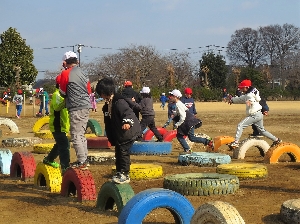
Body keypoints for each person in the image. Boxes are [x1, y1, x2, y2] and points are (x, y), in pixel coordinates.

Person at [95, 77, 142, 184]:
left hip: (129, 132)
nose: (100, 96)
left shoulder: (119, 102)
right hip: (121, 134)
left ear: (104, 92)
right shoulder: (109, 103)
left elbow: (128, 113)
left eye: (100, 93)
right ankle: (119, 172)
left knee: (123, 151)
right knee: (118, 151)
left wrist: (127, 122)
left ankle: (125, 174)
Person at [59, 51, 92, 170]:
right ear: (77, 61)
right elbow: (88, 91)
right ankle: (85, 159)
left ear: (64, 62)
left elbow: (62, 92)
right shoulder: (84, 73)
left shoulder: (65, 73)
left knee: (76, 135)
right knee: (81, 134)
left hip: (75, 106)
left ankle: (82, 161)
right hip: (86, 105)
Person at [228, 79, 281, 148]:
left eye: (242, 87)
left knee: (240, 125)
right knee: (262, 131)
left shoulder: (249, 95)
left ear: (247, 87)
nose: (240, 89)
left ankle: (236, 142)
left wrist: (248, 102)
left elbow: (248, 101)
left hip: (254, 115)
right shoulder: (252, 92)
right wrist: (232, 100)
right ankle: (276, 140)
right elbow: (242, 98)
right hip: (259, 114)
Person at [169, 89, 214, 153]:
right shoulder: (178, 103)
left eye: (171, 95)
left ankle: (207, 142)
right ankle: (188, 149)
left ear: (175, 96)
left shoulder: (178, 104)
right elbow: (185, 109)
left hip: (188, 123)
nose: (170, 97)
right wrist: (175, 113)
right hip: (188, 122)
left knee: (190, 138)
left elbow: (183, 117)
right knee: (181, 136)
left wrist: (177, 124)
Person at [43, 75, 70, 174]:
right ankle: (65, 167)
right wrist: (66, 101)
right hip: (57, 125)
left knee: (60, 144)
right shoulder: (57, 94)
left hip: (63, 125)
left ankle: (49, 159)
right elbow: (57, 107)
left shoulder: (63, 95)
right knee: (65, 145)